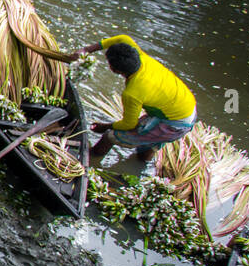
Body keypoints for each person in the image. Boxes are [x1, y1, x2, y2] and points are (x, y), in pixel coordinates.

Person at [69, 34, 196, 168]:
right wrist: (86, 50)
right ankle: (139, 163)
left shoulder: (132, 93)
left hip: (174, 123)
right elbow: (122, 38)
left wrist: (104, 126)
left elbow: (129, 124)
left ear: (114, 70)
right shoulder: (142, 57)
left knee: (110, 136)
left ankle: (89, 161)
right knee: (148, 143)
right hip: (187, 107)